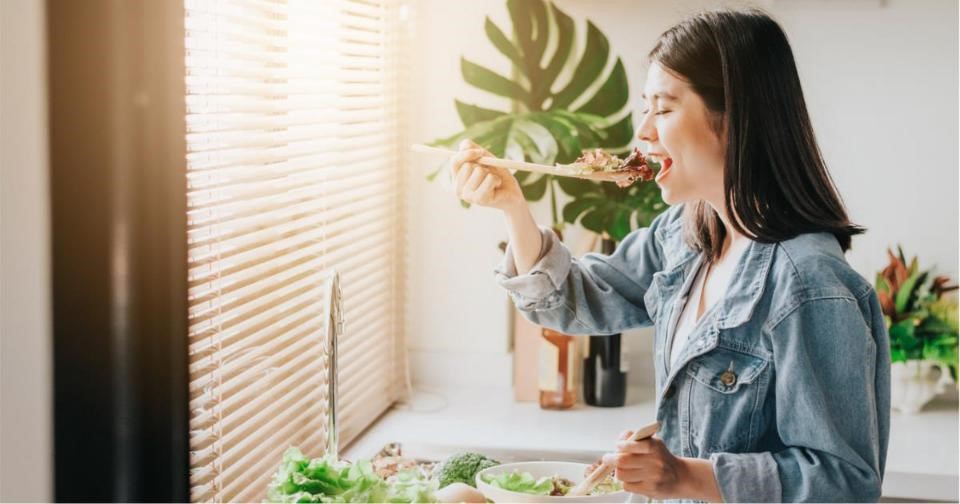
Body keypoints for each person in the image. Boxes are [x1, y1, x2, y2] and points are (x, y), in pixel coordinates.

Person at [446, 8, 890, 503]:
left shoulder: (808, 284)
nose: (644, 133)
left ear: (734, 117)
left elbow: (844, 484)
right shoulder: (686, 236)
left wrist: (681, 475)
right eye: (646, 108)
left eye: (662, 107)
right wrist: (512, 207)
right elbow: (574, 300)